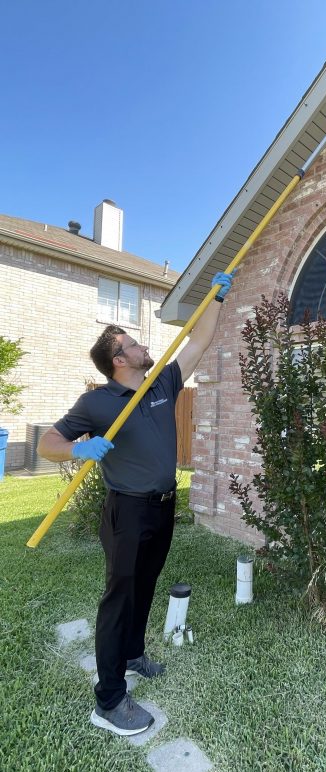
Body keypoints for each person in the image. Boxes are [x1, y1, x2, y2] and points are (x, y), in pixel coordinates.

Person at [37, 272, 233, 736]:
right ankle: (108, 700)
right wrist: (78, 449)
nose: (145, 346)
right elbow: (48, 442)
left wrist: (216, 300)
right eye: (134, 343)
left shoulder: (162, 381)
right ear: (118, 359)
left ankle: (131, 653)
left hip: (163, 507)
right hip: (127, 510)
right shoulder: (98, 402)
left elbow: (199, 341)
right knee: (119, 597)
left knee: (145, 585)